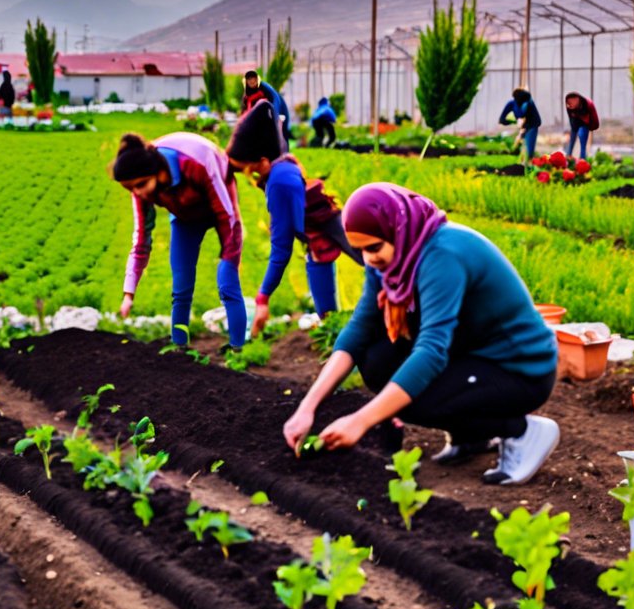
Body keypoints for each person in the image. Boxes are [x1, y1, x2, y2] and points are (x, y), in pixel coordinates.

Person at [282, 182, 559, 486]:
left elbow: (431, 349)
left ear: (397, 229)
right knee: (376, 361)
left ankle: (522, 431)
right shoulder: (392, 260)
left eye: (373, 248)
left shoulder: (441, 255)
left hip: (519, 369)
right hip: (471, 354)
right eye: (360, 249)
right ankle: (472, 437)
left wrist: (360, 420)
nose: (368, 259)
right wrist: (306, 408)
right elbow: (359, 329)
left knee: (412, 395)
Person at [226, 101, 362, 338]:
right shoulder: (284, 165)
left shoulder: (279, 182)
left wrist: (263, 298)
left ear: (263, 162)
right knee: (318, 257)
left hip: (344, 231)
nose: (251, 178)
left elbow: (281, 248)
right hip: (326, 228)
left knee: (385, 272)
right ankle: (332, 329)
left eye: (249, 171)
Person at [113, 131, 246, 351]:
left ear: (155, 171)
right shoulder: (141, 190)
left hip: (220, 207)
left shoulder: (195, 163)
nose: (137, 193)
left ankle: (238, 348)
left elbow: (226, 216)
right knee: (181, 284)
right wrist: (129, 294)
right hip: (185, 216)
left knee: (227, 281)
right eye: (131, 189)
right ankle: (179, 349)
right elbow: (141, 241)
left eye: (141, 185)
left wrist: (231, 258)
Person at [241, 70, 291, 145]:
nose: (251, 82)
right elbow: (245, 109)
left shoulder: (264, 89)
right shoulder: (247, 94)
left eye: (253, 79)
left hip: (280, 110)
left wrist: (275, 116)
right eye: (249, 80)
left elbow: (275, 100)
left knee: (280, 135)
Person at [498, 88, 541, 167]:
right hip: (524, 126)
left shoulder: (528, 102)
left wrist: (520, 125)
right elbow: (502, 120)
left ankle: (526, 164)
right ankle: (523, 164)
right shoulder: (512, 104)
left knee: (529, 151)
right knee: (522, 147)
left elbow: (522, 114)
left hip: (532, 125)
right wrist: (512, 121)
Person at [564, 92, 599, 160]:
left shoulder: (588, 104)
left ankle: (582, 159)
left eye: (574, 100)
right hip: (576, 122)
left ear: (578, 99)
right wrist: (573, 127)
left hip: (585, 123)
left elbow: (594, 118)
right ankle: (568, 157)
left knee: (582, 137)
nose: (571, 103)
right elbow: (570, 117)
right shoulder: (569, 107)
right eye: (569, 102)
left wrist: (592, 126)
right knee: (572, 139)